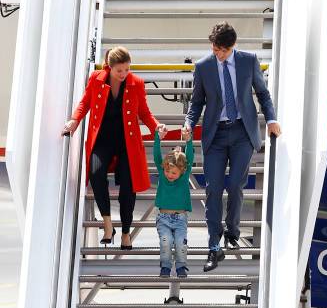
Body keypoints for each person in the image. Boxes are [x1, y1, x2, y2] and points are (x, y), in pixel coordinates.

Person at [183, 22, 281, 272]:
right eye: (215, 50)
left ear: (232, 46)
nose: (218, 54)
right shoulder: (204, 66)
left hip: (242, 132)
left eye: (222, 51)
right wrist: (188, 123)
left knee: (236, 184)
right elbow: (196, 102)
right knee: (213, 189)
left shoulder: (249, 61)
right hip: (215, 135)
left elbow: (263, 94)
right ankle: (213, 246)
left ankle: (232, 232)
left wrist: (271, 119)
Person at [62, 47, 166, 249]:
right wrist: (74, 120)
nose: (124, 74)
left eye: (127, 69)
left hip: (127, 142)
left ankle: (126, 232)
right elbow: (85, 103)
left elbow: (144, 112)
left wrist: (156, 126)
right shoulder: (96, 79)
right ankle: (108, 224)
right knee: (95, 172)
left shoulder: (136, 83)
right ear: (109, 67)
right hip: (102, 140)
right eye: (120, 70)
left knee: (128, 186)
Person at [153, 127, 193, 277]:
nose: (169, 175)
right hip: (163, 218)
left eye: (174, 173)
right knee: (166, 241)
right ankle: (165, 267)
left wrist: (188, 141)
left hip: (180, 219)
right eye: (167, 171)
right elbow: (157, 157)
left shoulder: (183, 177)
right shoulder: (163, 176)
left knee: (180, 243)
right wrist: (158, 138)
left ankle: (181, 266)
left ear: (182, 171)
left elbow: (190, 157)